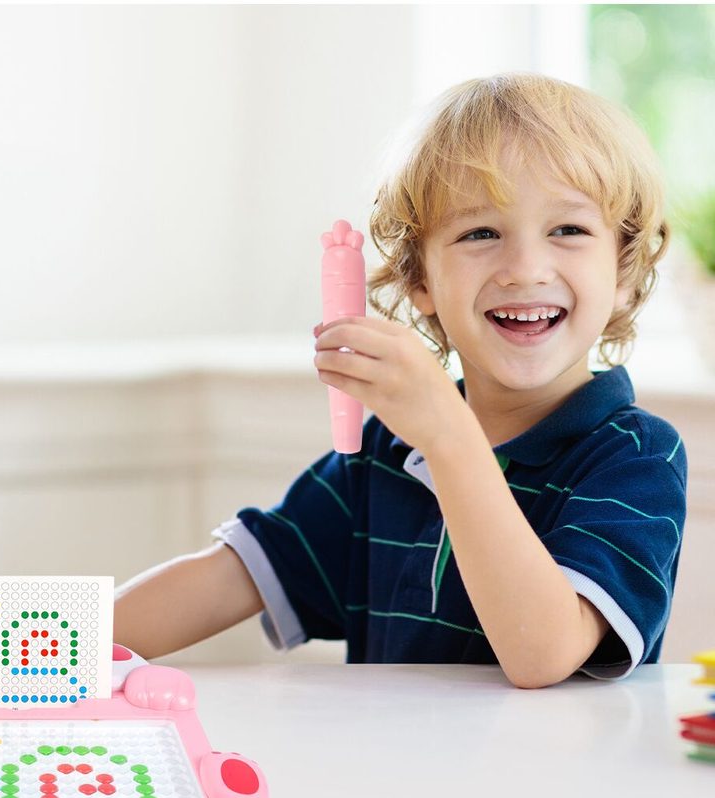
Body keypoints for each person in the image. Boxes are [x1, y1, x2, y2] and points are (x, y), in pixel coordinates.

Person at [114, 72, 687, 689]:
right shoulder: (385, 453)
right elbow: (228, 578)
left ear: (624, 270)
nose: (525, 269)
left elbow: (545, 653)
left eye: (568, 230)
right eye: (480, 233)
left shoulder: (636, 457)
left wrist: (449, 438)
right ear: (420, 281)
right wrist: (43, 641)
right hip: (387, 757)